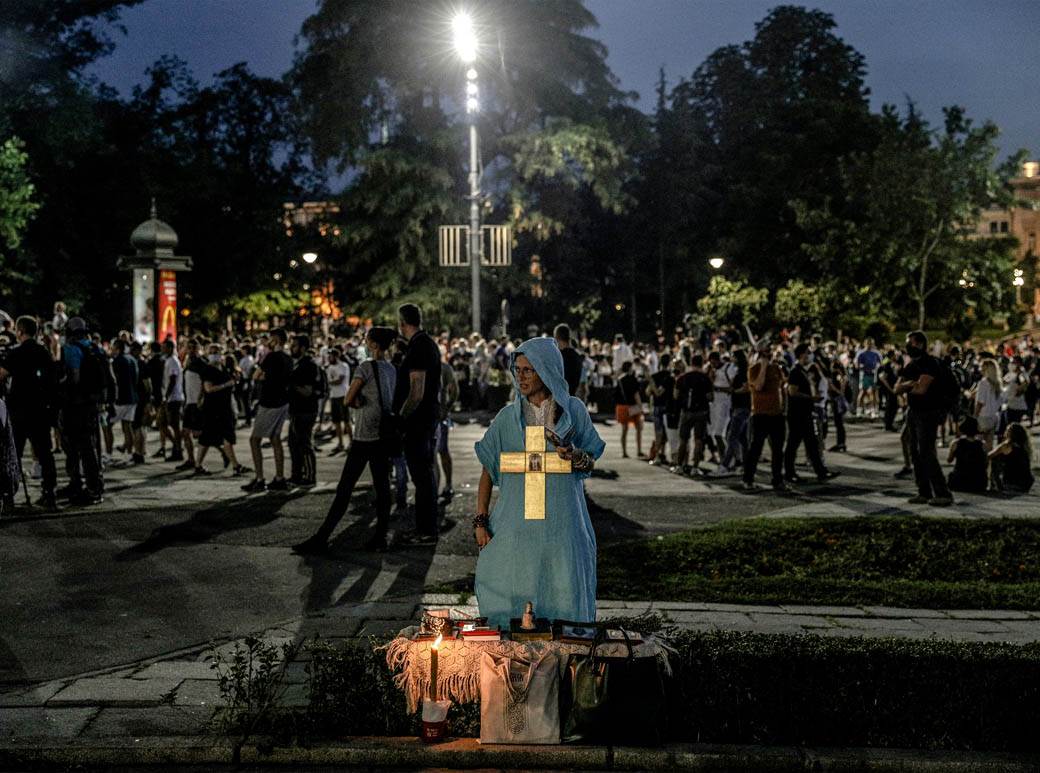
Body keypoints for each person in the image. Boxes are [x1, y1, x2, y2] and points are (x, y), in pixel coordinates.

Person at [472, 337, 605, 628]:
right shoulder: (508, 418)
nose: (520, 376)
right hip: (517, 524)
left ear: (547, 371)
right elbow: (487, 469)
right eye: (517, 369)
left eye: (528, 370)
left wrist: (574, 455)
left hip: (562, 524)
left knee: (563, 587)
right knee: (515, 589)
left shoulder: (573, 412)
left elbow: (590, 462)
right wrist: (481, 520)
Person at [293, 327, 398, 555]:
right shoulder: (391, 369)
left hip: (364, 434)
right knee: (381, 487)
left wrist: (360, 401)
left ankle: (322, 537)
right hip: (383, 434)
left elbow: (349, 399)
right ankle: (380, 537)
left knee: (345, 488)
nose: (364, 341)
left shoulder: (365, 367)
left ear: (373, 344)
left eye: (367, 339)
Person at [393, 303, 442, 545]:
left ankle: (426, 531)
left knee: (421, 475)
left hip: (418, 421)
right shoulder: (425, 344)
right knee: (424, 474)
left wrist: (401, 417)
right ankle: (426, 528)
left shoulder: (420, 348)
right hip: (426, 418)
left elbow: (416, 391)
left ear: (402, 323)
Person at [0, 316, 58, 508]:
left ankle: (8, 496)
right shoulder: (43, 352)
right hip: (40, 409)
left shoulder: (17, 353)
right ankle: (50, 492)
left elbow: (2, 374)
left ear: (20, 331)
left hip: (19, 411)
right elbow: (53, 380)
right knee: (44, 453)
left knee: (12, 453)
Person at [895, 330, 953, 506]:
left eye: (910, 342)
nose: (907, 346)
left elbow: (922, 389)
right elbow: (896, 388)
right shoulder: (912, 365)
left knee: (927, 452)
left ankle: (943, 493)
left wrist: (909, 386)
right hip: (913, 411)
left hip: (928, 412)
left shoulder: (930, 363)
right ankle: (924, 492)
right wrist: (910, 384)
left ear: (920, 344)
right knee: (915, 452)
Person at [57, 317, 108, 505]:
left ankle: (83, 486)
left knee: (74, 447)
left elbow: (74, 378)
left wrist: (59, 385)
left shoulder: (72, 349)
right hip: (92, 404)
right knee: (90, 446)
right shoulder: (96, 349)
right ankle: (94, 485)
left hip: (75, 405)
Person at [242, 328, 291, 492]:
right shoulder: (287, 358)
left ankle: (260, 478)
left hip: (269, 402)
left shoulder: (271, 357)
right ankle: (279, 477)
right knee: (275, 439)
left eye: (270, 338)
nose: (267, 342)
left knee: (255, 440)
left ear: (276, 340)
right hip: (283, 401)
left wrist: (265, 376)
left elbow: (256, 375)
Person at [784, 343, 838, 484]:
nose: (810, 355)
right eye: (808, 352)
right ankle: (789, 473)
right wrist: (811, 398)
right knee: (793, 444)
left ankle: (821, 472)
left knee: (812, 443)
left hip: (805, 412)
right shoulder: (795, 371)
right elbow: (792, 391)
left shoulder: (803, 371)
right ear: (802, 354)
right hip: (797, 413)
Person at [742, 339, 789, 492]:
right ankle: (748, 479)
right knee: (756, 448)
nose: (769, 354)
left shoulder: (776, 368)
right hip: (761, 414)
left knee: (778, 450)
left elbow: (782, 388)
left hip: (776, 414)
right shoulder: (754, 369)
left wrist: (783, 408)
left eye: (770, 350)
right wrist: (762, 366)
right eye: (765, 351)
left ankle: (778, 480)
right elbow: (759, 385)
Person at [194, 349, 248, 476]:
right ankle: (235, 466)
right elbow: (208, 389)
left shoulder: (223, 368)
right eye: (212, 352)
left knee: (217, 437)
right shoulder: (208, 370)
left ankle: (234, 465)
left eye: (217, 352)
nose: (215, 354)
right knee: (212, 437)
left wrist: (233, 381)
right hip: (213, 409)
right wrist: (226, 384)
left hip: (223, 408)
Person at [288, 334, 320, 486]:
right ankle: (296, 475)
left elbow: (307, 391)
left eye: (294, 346)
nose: (291, 348)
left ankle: (309, 476)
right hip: (296, 410)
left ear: (303, 348)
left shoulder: (308, 365)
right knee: (294, 444)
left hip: (305, 410)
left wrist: (291, 385)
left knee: (304, 444)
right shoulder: (298, 364)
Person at [674, 355, 713, 475]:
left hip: (686, 412)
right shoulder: (705, 378)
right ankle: (695, 467)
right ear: (702, 363)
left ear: (691, 363)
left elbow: (675, 395)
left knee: (683, 440)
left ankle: (679, 466)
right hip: (701, 412)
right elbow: (710, 397)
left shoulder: (682, 378)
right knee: (698, 440)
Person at [436, 350, 460, 502]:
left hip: (438, 416)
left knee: (441, 452)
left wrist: (446, 409)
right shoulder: (444, 367)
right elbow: (455, 391)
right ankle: (446, 485)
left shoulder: (444, 368)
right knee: (441, 452)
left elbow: (455, 391)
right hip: (439, 415)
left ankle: (446, 484)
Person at [110, 339, 138, 462]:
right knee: (128, 426)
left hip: (121, 398)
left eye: (113, 347)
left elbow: (114, 381)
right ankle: (129, 453)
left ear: (117, 348)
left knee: (107, 425)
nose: (111, 350)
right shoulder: (132, 359)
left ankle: (107, 453)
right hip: (132, 397)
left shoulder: (117, 361)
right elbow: (136, 378)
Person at [946, 416, 987, 494]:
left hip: (959, 482)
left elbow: (949, 460)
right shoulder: (982, 444)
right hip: (978, 483)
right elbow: (985, 462)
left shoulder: (956, 443)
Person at [989, 422, 1034, 494]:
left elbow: (989, 455)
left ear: (1010, 433)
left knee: (995, 459)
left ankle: (995, 486)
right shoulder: (1024, 447)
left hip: (1012, 483)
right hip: (1025, 483)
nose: (1005, 432)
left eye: (1007, 430)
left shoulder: (1007, 445)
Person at [161, 339, 185, 462]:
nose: (162, 349)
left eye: (164, 347)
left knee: (174, 425)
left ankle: (178, 450)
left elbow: (173, 379)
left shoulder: (173, 362)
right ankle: (177, 447)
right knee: (168, 424)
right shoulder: (169, 361)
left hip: (174, 398)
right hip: (172, 397)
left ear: (170, 348)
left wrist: (166, 396)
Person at [614, 361, 644, 458]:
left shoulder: (620, 379)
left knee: (624, 430)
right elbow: (636, 394)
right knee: (639, 428)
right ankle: (639, 450)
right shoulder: (633, 379)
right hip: (633, 406)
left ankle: (624, 452)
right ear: (630, 368)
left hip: (622, 406)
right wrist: (640, 406)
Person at [647, 353, 673, 466]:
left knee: (658, 433)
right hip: (667, 406)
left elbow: (648, 392)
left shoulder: (655, 376)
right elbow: (659, 392)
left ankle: (658, 456)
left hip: (657, 406)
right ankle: (661, 454)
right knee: (665, 433)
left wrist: (651, 383)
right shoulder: (670, 377)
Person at [325, 347, 350, 454]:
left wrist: (329, 383)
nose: (329, 358)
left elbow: (339, 380)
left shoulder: (343, 366)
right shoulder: (329, 367)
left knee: (346, 420)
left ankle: (352, 442)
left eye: (331, 356)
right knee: (336, 422)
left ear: (336, 356)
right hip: (334, 396)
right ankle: (340, 444)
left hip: (343, 395)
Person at [973, 358, 1002, 450]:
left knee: (979, 444)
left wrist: (975, 416)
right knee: (990, 443)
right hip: (994, 416)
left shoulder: (983, 383)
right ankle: (989, 462)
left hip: (983, 416)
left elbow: (980, 402)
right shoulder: (997, 383)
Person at [555, 324, 583, 396]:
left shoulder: (559, 357)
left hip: (560, 398)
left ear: (557, 337)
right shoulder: (577, 356)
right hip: (572, 396)